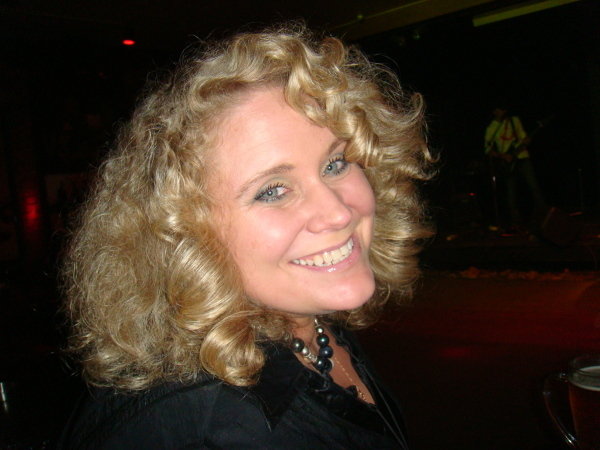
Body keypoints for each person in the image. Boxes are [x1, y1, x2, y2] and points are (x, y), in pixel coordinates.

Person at [59, 24, 433, 449]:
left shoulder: (307, 325)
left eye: (335, 164)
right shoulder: (210, 427)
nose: (338, 212)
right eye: (272, 191)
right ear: (186, 233)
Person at [484, 105, 546, 231]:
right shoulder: (491, 128)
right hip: (507, 163)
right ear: (494, 111)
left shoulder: (514, 120)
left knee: (534, 186)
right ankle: (516, 222)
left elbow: (522, 137)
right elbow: (487, 150)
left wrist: (526, 141)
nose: (500, 112)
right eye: (498, 109)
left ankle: (544, 215)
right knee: (511, 193)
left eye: (502, 109)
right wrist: (503, 156)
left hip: (522, 157)